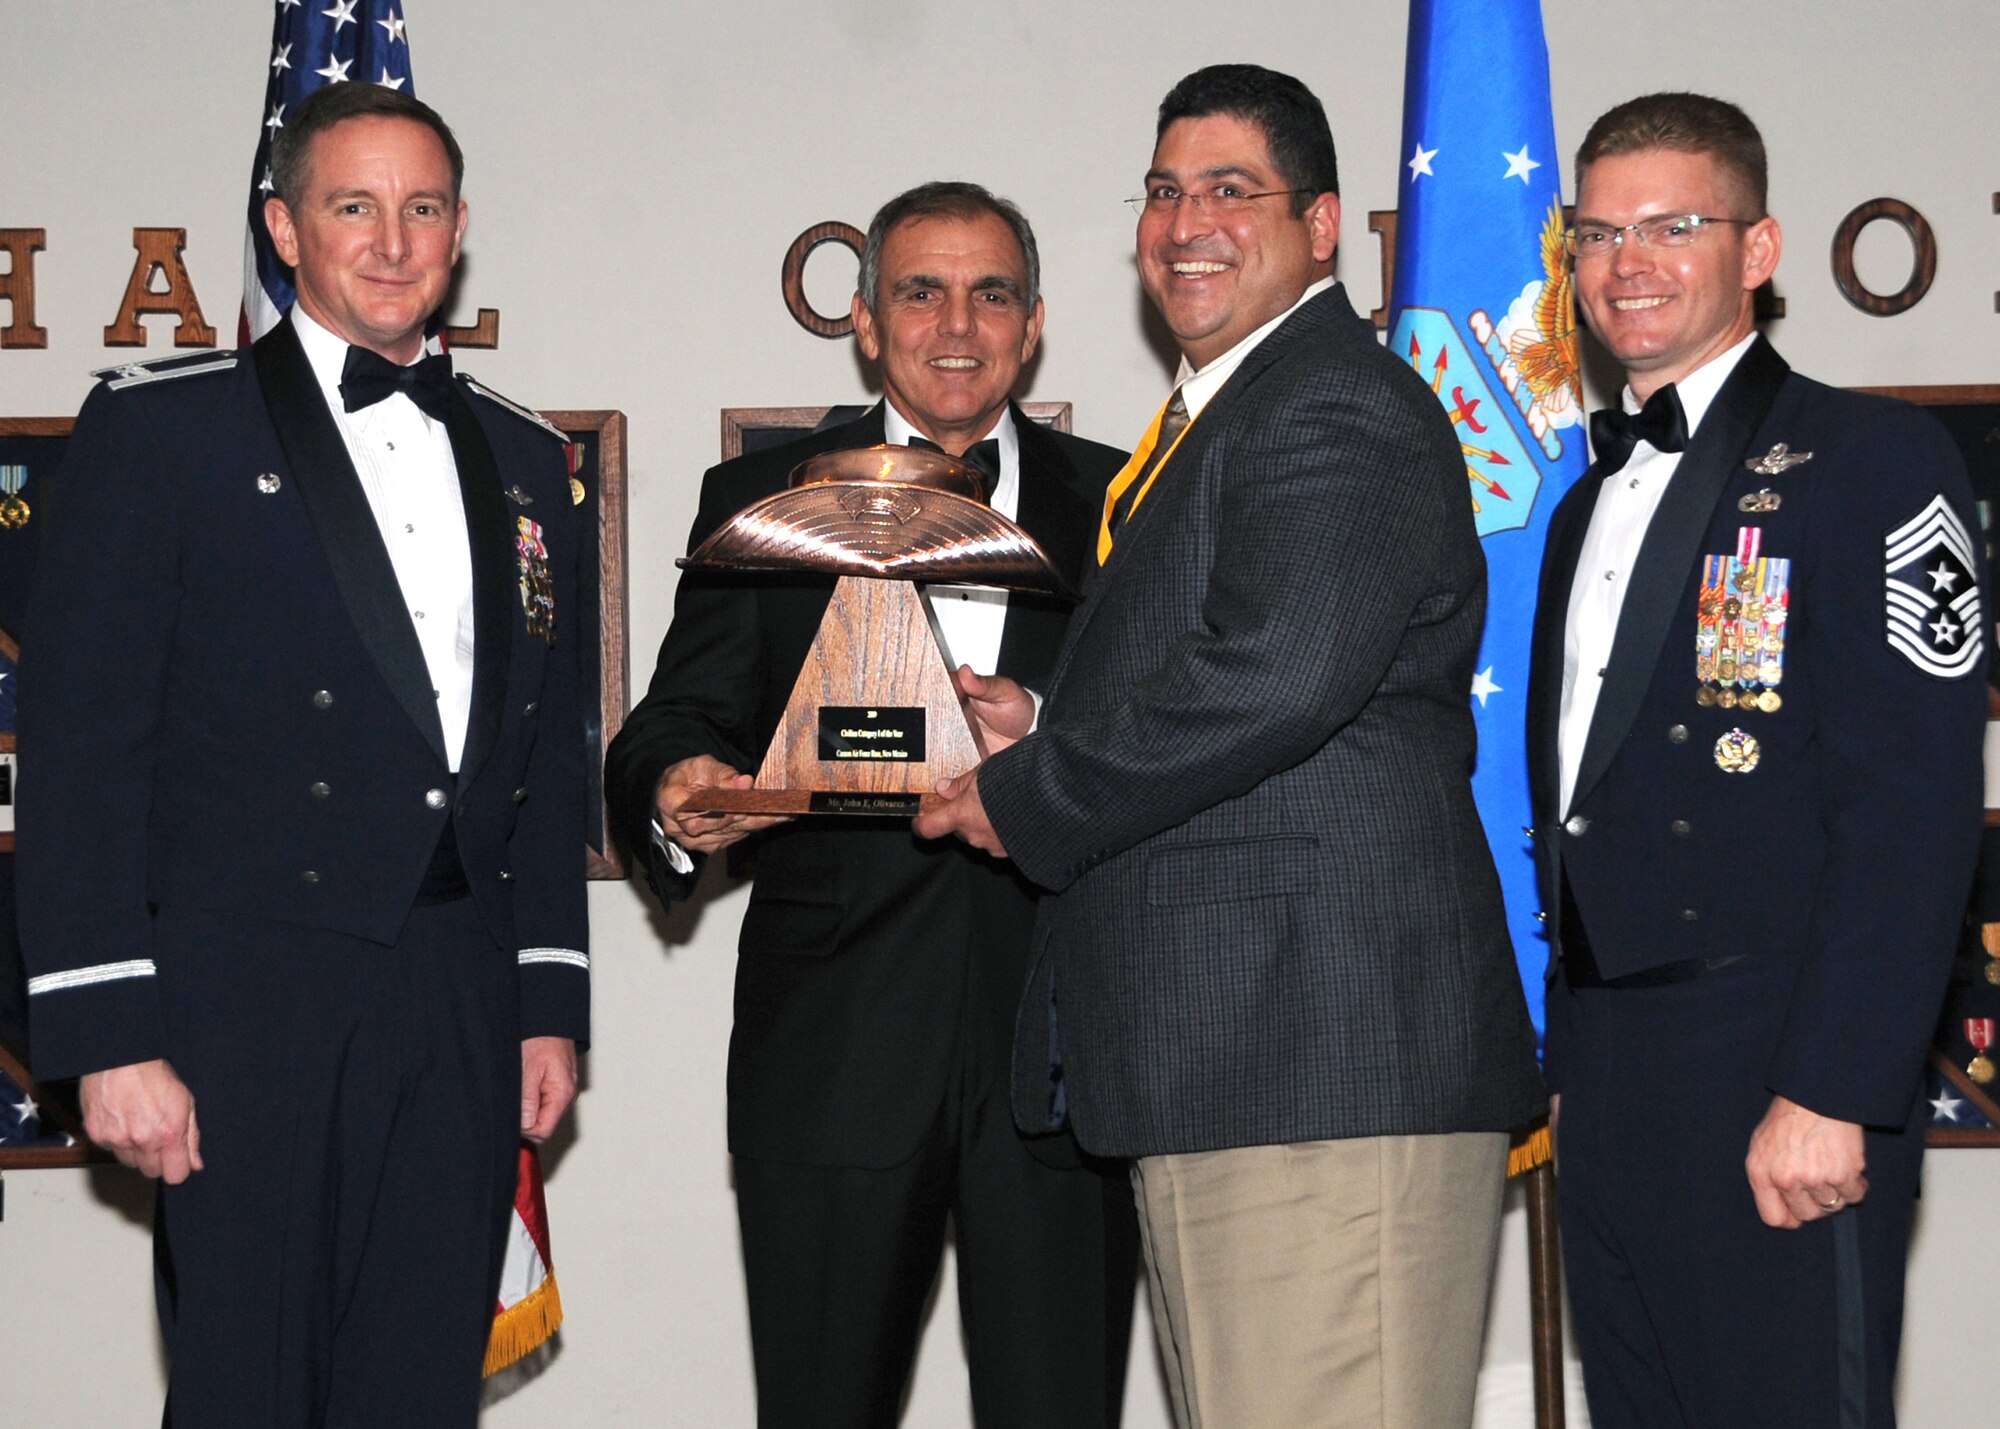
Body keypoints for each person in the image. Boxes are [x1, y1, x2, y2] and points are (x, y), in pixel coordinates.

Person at [915, 66, 1544, 1428]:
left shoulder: (1331, 403)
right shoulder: (1231, 415)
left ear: (1322, 225)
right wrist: (1054, 722)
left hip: (1321, 1061)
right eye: (1163, 192)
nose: (1185, 221)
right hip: (1238, 1065)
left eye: (1229, 190)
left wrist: (1032, 792)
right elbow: (1252, 673)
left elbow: (1275, 678)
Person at [17, 82, 589, 1429]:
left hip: (455, 992)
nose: (393, 243)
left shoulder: (520, 456)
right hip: (241, 998)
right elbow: (82, 748)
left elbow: (540, 761)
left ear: (459, 229)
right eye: (353, 207)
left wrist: (547, 993)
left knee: (417, 1383)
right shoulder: (164, 433)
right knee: (247, 1387)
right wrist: (110, 1033)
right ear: (282, 227)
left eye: (424, 207)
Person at [603, 182, 1138, 1429]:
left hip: (1062, 1050)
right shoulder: (764, 497)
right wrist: (676, 791)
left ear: (1036, 321)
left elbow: (1159, 743)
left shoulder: (1123, 506)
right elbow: (678, 718)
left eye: (990, 292)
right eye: (920, 290)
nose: (957, 323)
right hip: (831, 1049)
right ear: (863, 319)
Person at [1526, 92, 1985, 1428]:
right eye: (1599, 232)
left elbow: (1912, 804)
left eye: (1675, 224)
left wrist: (1834, 1087)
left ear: (1762, 247)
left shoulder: (1874, 461)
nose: (1630, 262)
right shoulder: (1578, 509)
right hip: (1608, 1075)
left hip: (1774, 1064)